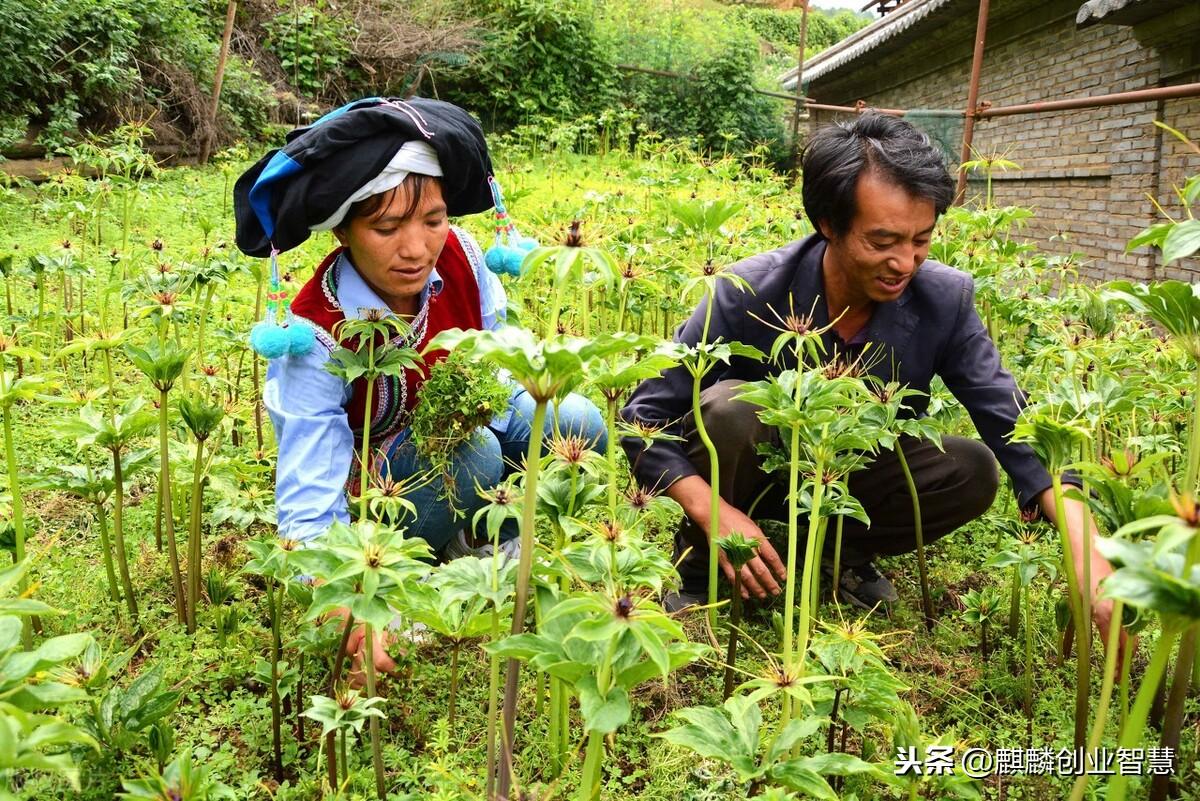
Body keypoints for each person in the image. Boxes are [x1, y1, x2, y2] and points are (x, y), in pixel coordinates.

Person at [619, 112, 1121, 650]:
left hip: (852, 477)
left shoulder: (944, 299)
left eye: (921, 239)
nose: (904, 261)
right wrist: (710, 508)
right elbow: (644, 417)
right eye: (882, 241)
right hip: (749, 473)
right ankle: (704, 565)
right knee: (732, 407)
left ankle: (837, 554)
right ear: (828, 225)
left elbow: (1016, 425)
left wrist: (1086, 552)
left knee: (971, 469)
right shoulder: (746, 289)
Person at [234, 97, 606, 680]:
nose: (416, 248)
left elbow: (496, 357)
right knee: (473, 453)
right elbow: (309, 492)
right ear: (343, 232)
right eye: (386, 227)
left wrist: (528, 393)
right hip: (384, 497)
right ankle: (413, 575)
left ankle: (495, 548)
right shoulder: (313, 335)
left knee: (575, 422)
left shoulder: (464, 257)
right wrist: (337, 596)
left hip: (464, 431)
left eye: (433, 220)